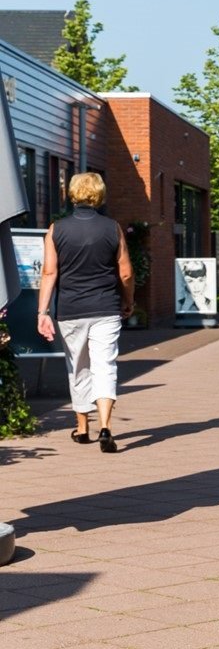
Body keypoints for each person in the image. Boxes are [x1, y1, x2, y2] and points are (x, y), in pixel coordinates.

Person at [36, 172, 134, 452]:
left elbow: (49, 272)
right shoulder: (112, 228)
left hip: (71, 310)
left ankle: (82, 428)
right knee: (105, 366)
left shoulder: (56, 229)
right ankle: (106, 426)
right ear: (99, 194)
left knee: (78, 367)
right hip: (105, 308)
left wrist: (42, 311)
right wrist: (128, 300)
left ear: (73, 193)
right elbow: (125, 272)